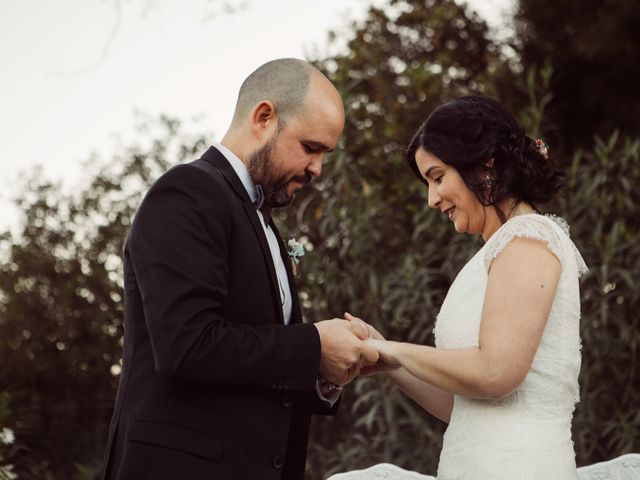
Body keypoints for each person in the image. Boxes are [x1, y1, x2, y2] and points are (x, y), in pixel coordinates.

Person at [100, 58, 378, 480]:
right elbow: (187, 346)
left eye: (325, 154)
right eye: (310, 148)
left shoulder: (263, 220)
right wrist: (313, 345)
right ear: (264, 117)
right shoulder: (187, 192)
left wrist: (323, 372)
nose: (318, 169)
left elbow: (261, 365)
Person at [349, 96, 588, 479]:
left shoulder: (529, 238)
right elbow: (462, 405)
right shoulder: (497, 250)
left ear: (485, 164)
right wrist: (389, 363)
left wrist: (392, 347)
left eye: (438, 177)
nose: (432, 199)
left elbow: (496, 373)